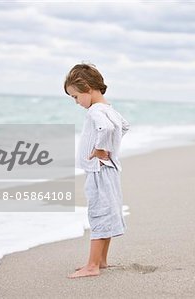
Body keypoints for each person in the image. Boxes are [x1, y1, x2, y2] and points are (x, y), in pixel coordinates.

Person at [64, 63, 129, 278]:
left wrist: (101, 148)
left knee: (99, 213)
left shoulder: (94, 111)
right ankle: (101, 261)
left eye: (75, 96)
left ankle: (92, 266)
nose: (75, 102)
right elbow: (124, 126)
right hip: (108, 169)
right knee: (107, 212)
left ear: (88, 88)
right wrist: (110, 147)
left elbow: (107, 128)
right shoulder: (108, 108)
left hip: (98, 170)